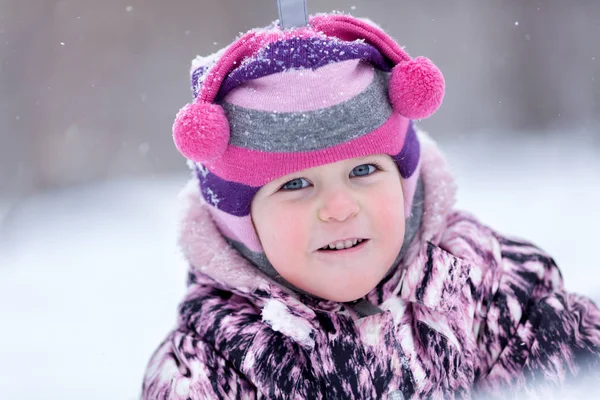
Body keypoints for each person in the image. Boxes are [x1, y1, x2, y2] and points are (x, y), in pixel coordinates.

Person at [141, 11, 600, 400]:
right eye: (296, 183)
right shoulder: (209, 365)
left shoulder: (491, 287)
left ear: (405, 185)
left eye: (364, 171)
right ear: (240, 225)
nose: (339, 207)